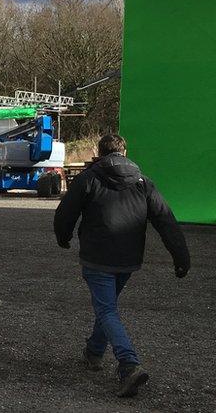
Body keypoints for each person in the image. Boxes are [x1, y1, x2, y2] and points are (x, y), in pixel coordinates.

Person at [54, 133, 190, 398]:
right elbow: (166, 220)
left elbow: (65, 212)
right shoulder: (143, 183)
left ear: (100, 153)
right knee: (107, 307)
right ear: (124, 152)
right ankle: (93, 352)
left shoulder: (89, 178)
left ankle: (128, 365)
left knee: (106, 310)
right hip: (128, 260)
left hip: (97, 257)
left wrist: (64, 237)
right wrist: (181, 256)